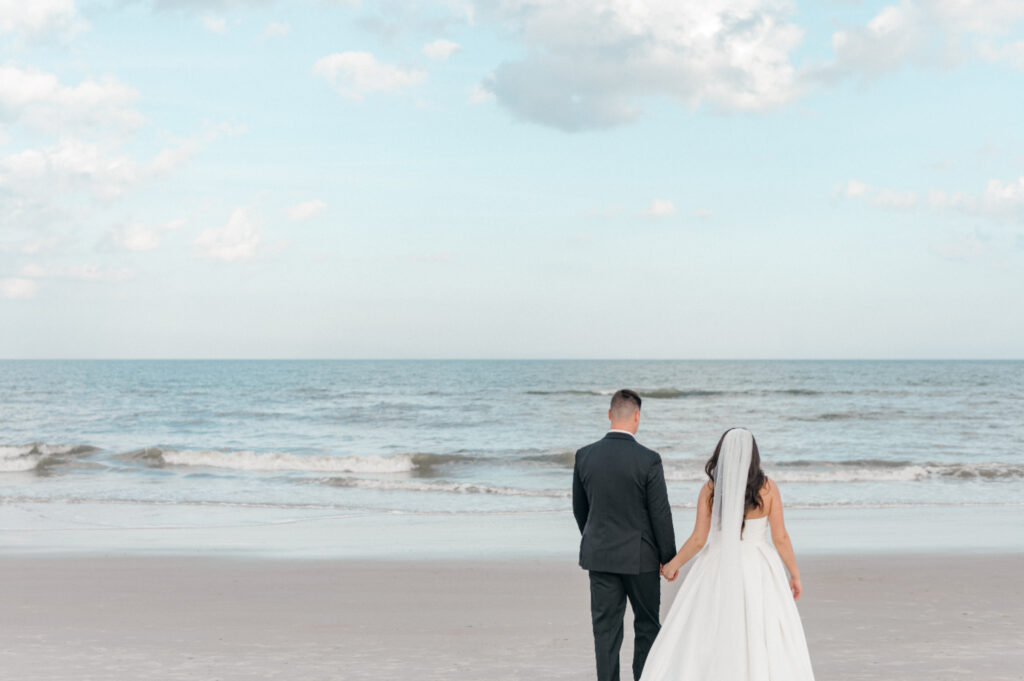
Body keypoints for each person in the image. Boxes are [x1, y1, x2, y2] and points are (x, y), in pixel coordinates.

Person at [640, 428, 815, 681]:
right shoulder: (768, 489)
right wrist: (795, 575)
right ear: (754, 456)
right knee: (760, 627)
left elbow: (699, 539)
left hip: (717, 563)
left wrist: (671, 565)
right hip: (759, 566)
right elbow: (780, 538)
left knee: (709, 625)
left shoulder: (711, 490)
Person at [573, 389, 676, 681]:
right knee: (647, 627)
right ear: (637, 417)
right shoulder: (649, 460)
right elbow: (660, 515)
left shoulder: (584, 456)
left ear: (609, 415)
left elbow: (580, 511)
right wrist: (669, 558)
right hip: (641, 559)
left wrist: (597, 539)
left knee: (605, 633)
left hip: (601, 556)